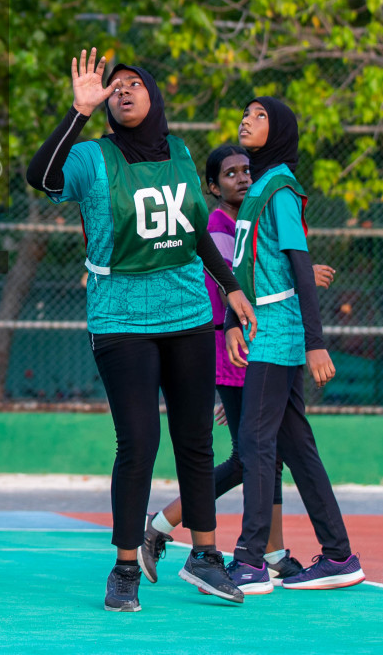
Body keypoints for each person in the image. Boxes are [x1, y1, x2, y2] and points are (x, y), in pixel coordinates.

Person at [25, 50, 252, 613]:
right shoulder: (92, 160)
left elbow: (197, 231)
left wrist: (229, 285)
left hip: (188, 318)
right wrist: (77, 112)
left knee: (196, 440)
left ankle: (204, 557)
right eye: (114, 86)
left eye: (134, 84)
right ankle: (125, 565)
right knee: (139, 444)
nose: (123, 90)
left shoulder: (178, 151)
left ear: (154, 96)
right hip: (121, 319)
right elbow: (39, 176)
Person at [139, 144, 336, 584]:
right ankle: (160, 525)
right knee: (253, 458)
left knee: (268, 454)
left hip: (262, 344)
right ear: (213, 187)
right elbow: (243, 283)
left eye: (247, 170)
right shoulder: (220, 224)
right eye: (231, 174)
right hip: (237, 347)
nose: (243, 178)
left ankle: (273, 552)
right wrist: (304, 273)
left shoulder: (252, 217)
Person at [223, 97, 365, 593]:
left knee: (256, 442)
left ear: (279, 129)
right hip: (263, 329)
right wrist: (230, 322)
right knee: (296, 447)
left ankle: (250, 561)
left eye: (259, 115)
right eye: (246, 113)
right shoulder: (259, 187)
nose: (247, 119)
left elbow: (299, 267)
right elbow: (245, 269)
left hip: (280, 332)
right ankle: (339, 555)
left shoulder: (280, 189)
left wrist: (315, 341)